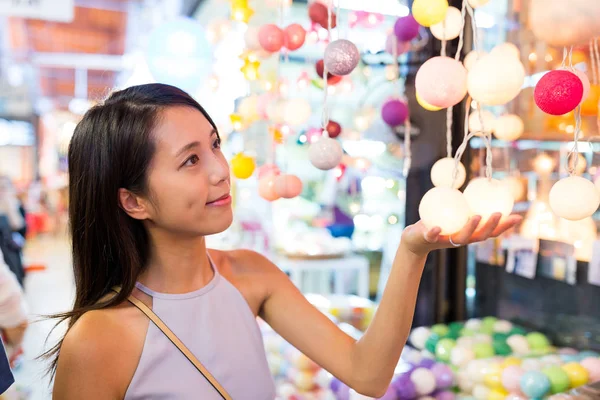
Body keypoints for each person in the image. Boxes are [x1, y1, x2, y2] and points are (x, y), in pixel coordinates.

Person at [50, 84, 521, 399]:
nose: (220, 170)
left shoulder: (250, 275)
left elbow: (368, 373)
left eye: (214, 144)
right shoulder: (98, 338)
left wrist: (412, 249)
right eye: (190, 161)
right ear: (134, 202)